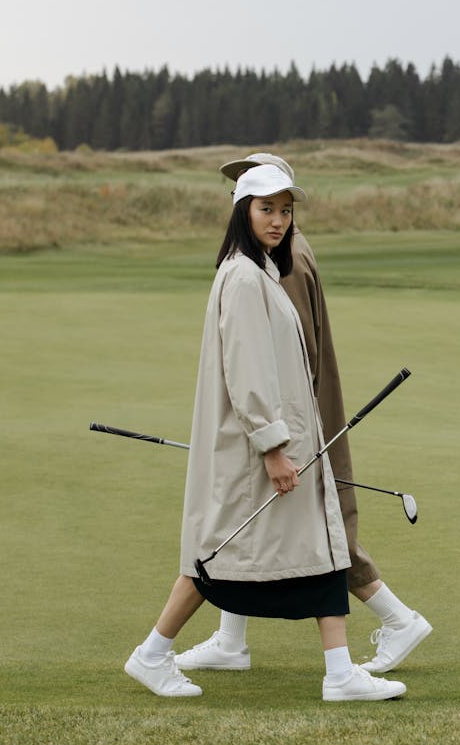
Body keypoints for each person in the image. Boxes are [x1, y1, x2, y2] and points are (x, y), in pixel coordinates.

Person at [125, 163, 406, 701]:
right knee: (217, 558)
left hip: (283, 443)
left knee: (318, 551)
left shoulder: (258, 271)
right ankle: (153, 652)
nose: (278, 221)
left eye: (285, 210)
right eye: (266, 209)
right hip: (266, 450)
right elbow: (249, 372)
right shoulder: (244, 276)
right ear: (242, 211)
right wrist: (274, 448)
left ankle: (340, 672)